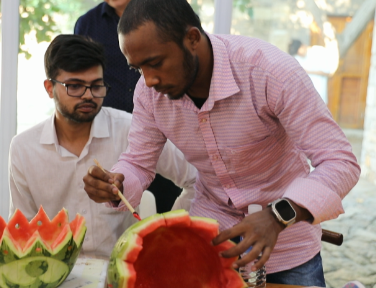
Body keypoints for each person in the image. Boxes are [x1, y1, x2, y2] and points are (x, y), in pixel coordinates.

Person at [82, 0, 360, 286]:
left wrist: (278, 215)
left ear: (192, 38)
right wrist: (117, 184)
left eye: (155, 63)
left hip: (288, 245)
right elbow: (137, 162)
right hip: (209, 241)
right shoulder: (149, 94)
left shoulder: (270, 72)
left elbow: (340, 162)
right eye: (138, 69)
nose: (149, 80)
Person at [8, 34, 197, 257]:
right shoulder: (23, 148)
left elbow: (198, 179)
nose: (89, 96)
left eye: (97, 86)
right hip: (56, 275)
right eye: (75, 86)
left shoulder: (131, 129)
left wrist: (169, 231)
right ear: (50, 88)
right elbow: (23, 228)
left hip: (122, 271)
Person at [74, 0, 185, 213]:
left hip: (160, 133)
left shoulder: (164, 15)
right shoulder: (88, 24)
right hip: (110, 134)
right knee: (113, 201)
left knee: (166, 204)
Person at [288, 39, 339, 104]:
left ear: (303, 46)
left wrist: (308, 71)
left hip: (319, 93)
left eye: (299, 50)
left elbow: (328, 72)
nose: (299, 54)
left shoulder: (317, 51)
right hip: (305, 96)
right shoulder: (297, 58)